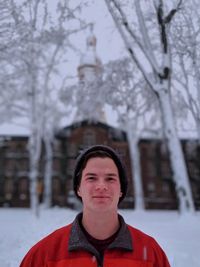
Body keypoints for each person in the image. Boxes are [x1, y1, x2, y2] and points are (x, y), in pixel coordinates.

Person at [20, 144, 170, 267]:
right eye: (91, 178)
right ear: (78, 188)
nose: (101, 186)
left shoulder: (150, 252)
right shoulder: (46, 253)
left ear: (121, 189)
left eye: (110, 178)